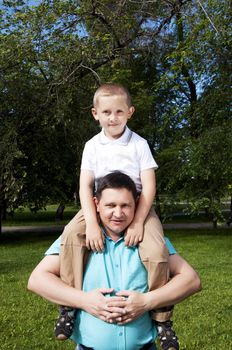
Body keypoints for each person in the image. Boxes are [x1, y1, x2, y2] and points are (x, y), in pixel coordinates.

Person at [28, 172, 202, 350]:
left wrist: (146, 302)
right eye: (110, 205)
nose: (118, 213)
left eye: (125, 205)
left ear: (137, 204)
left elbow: (191, 280)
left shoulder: (152, 243)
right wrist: (83, 300)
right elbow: (37, 280)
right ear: (96, 204)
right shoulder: (78, 240)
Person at [56, 83, 173, 348]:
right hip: (99, 208)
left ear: (130, 112)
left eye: (119, 111)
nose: (113, 117)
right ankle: (68, 306)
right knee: (72, 235)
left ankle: (162, 320)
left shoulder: (139, 144)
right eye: (106, 111)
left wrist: (139, 222)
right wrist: (93, 225)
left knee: (156, 250)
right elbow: (85, 186)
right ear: (95, 113)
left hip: (138, 206)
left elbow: (150, 186)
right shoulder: (92, 146)